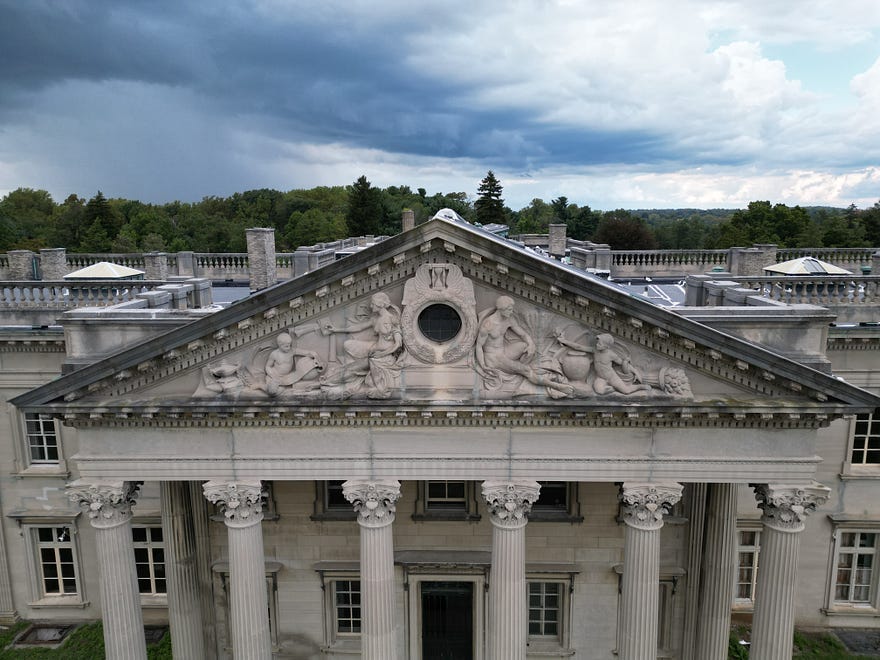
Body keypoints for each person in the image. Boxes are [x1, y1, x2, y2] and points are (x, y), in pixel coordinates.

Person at [475, 296, 572, 396]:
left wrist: (530, 344)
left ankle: (541, 366)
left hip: (504, 352)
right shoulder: (488, 324)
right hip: (493, 358)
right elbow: (479, 346)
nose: (511, 312)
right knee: (526, 370)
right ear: (501, 309)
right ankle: (556, 386)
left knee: (524, 346)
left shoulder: (508, 319)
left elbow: (523, 334)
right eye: (509, 309)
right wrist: (482, 365)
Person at [320, 292, 403, 398]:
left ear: (380, 304)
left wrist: (383, 354)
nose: (371, 306)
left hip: (383, 358)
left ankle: (329, 382)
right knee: (351, 364)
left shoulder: (392, 319)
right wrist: (336, 329)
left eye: (373, 304)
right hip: (374, 353)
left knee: (353, 369)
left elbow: (398, 344)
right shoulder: (375, 319)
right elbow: (358, 327)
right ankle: (329, 380)